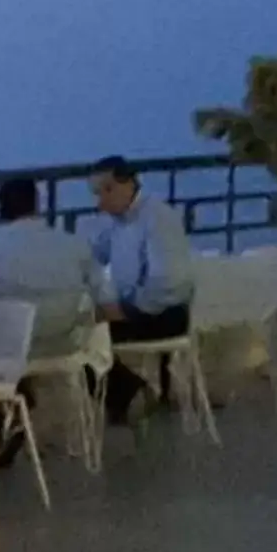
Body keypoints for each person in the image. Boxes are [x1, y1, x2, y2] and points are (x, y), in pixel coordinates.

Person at [0, 176, 94, 468]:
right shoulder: (71, 244)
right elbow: (100, 291)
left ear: (1, 209)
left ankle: (4, 422)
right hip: (67, 343)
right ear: (37, 204)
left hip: (18, 351)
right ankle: (18, 409)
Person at [87, 156, 196, 425]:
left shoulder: (157, 218)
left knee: (82, 339)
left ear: (129, 184)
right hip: (140, 310)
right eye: (98, 193)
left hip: (164, 314)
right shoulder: (118, 223)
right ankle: (127, 393)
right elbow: (90, 258)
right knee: (78, 331)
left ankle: (128, 394)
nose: (101, 201)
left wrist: (124, 309)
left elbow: (167, 283)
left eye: (107, 190)